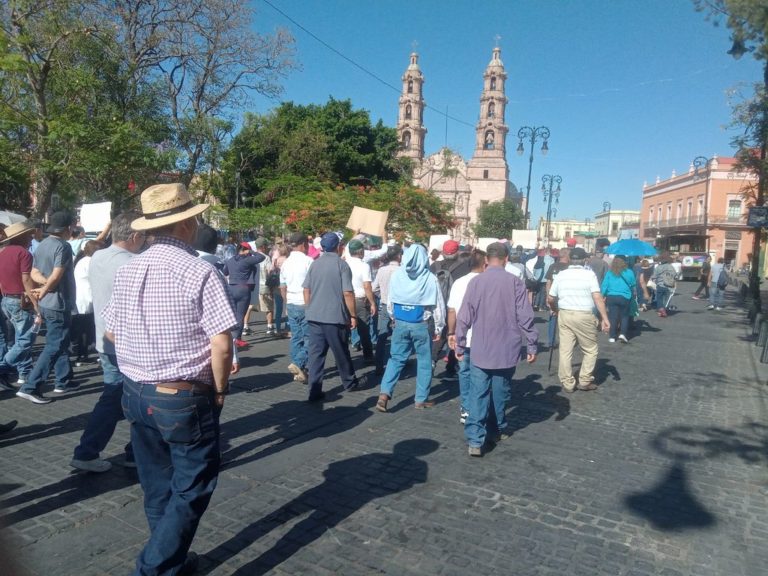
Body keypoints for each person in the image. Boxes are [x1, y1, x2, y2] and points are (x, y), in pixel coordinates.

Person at [103, 183, 236, 575]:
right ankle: (154, 567)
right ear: (185, 225)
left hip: (134, 391)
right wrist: (221, 389)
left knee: (157, 483)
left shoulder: (129, 270)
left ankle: (169, 561)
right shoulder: (199, 270)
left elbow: (110, 332)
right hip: (181, 396)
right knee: (193, 486)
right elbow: (222, 344)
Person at [70, 211, 146, 473]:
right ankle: (128, 452)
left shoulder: (98, 257)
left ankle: (94, 450)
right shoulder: (133, 263)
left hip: (105, 340)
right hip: (128, 344)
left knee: (115, 396)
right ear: (135, 236)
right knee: (132, 400)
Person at [454, 243, 538, 457]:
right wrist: (532, 342)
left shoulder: (476, 282)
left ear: (486, 260)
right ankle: (495, 429)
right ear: (506, 258)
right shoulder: (514, 282)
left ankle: (475, 438)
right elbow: (525, 316)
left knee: (478, 393)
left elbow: (465, 315)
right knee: (500, 392)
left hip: (481, 347)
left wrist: (460, 341)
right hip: (506, 348)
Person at [376, 243, 444, 412]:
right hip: (420, 323)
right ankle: (421, 399)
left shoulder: (398, 275)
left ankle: (384, 393)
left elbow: (391, 301)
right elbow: (438, 306)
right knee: (424, 362)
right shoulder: (430, 278)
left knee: (396, 358)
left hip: (400, 322)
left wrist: (394, 318)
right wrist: (439, 328)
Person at [18, 211, 77, 403]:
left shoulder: (42, 244)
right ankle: (31, 386)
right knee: (55, 344)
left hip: (46, 303)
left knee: (57, 342)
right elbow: (57, 275)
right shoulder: (64, 246)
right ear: (68, 228)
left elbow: (34, 272)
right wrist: (47, 288)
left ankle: (63, 380)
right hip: (58, 303)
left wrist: (44, 287)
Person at [303, 232, 361, 401]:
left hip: (315, 316)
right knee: (341, 352)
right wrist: (353, 315)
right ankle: (349, 382)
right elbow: (348, 293)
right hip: (334, 317)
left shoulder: (315, 264)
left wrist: (309, 307)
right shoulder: (341, 265)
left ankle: (314, 390)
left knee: (316, 356)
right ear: (338, 246)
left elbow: (306, 289)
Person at [547, 247, 610, 393]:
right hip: (584, 314)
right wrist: (604, 318)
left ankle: (567, 382)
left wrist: (554, 308)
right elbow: (597, 297)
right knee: (590, 349)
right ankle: (585, 380)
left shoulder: (561, 275)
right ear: (584, 260)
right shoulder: (589, 275)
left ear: (570, 260)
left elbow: (551, 298)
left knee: (565, 349)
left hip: (565, 313)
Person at [446, 249, 486, 424]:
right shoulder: (486, 283)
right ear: (485, 264)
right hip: (483, 337)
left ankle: (466, 408)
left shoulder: (460, 282)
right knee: (481, 374)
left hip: (463, 336)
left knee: (465, 372)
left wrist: (451, 332)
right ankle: (477, 408)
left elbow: (452, 310)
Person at [0, 220, 40, 389]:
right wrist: (35, 304)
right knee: (25, 339)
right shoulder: (24, 254)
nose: (32, 238)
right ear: (23, 237)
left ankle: (23, 372)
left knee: (17, 338)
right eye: (29, 235)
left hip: (6, 299)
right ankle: (4, 365)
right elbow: (26, 280)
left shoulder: (2, 252)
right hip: (19, 299)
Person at [280, 231, 314, 383]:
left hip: (291, 302)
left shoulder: (286, 263)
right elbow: (312, 286)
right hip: (305, 303)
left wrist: (286, 301)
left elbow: (282, 286)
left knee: (296, 337)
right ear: (303, 245)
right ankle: (298, 363)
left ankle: (299, 371)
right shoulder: (308, 261)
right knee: (310, 338)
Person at [223, 242, 265, 348]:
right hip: (243, 289)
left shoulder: (230, 260)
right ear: (246, 250)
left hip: (231, 288)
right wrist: (251, 252)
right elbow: (261, 257)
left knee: (231, 314)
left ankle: (229, 337)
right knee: (240, 315)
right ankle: (237, 338)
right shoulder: (247, 260)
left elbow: (225, 272)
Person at [71, 240, 104, 366]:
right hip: (88, 299)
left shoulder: (82, 261)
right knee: (88, 328)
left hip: (81, 298)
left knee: (83, 329)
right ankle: (83, 355)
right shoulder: (91, 262)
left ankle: (82, 354)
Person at [372, 245, 402, 376]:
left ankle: (378, 364)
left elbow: (374, 288)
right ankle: (397, 363)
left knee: (382, 335)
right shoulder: (402, 270)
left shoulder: (382, 270)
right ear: (399, 256)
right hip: (398, 306)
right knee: (398, 336)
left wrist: (382, 296)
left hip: (384, 304)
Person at [346, 239, 377, 361]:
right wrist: (373, 302)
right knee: (364, 329)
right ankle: (368, 355)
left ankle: (344, 356)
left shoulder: (344, 263)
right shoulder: (364, 266)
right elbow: (367, 286)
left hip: (345, 299)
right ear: (360, 251)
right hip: (359, 299)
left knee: (345, 330)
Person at [601, 256, 636, 343]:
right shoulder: (629, 272)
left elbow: (604, 285)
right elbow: (633, 284)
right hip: (625, 296)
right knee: (624, 316)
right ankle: (622, 334)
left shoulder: (610, 273)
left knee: (613, 317)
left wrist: (603, 295)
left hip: (611, 296)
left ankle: (612, 336)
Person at [652, 252, 678, 317]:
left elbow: (654, 276)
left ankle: (661, 309)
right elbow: (675, 275)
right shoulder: (670, 266)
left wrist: (655, 281)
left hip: (660, 285)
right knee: (666, 298)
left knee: (659, 298)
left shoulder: (658, 267)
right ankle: (664, 309)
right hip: (669, 285)